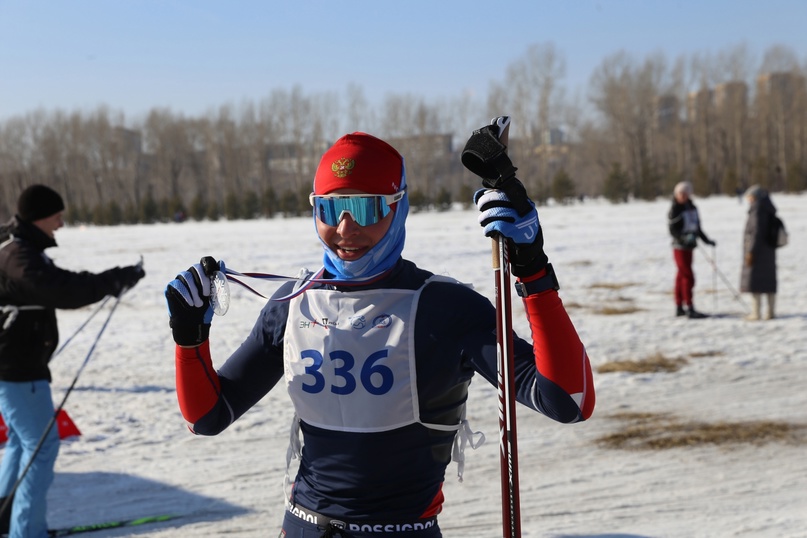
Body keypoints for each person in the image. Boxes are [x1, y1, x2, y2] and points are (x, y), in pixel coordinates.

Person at [165, 132, 596, 537]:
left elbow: (568, 401)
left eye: (368, 207)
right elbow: (206, 417)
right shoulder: (294, 301)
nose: (346, 229)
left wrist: (533, 271)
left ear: (398, 207)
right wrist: (189, 338)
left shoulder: (445, 308)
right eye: (329, 209)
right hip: (303, 526)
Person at [0, 184, 145, 538]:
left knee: (24, 442)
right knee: (40, 445)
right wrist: (111, 280)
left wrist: (110, 279)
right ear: (38, 217)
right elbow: (58, 288)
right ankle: (26, 531)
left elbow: (55, 283)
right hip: (16, 368)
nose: (61, 224)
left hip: (20, 365)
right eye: (57, 216)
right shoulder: (18, 255)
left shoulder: (18, 247)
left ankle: (7, 519)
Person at [667, 181, 716, 319]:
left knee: (681, 276)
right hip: (679, 248)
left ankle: (679, 307)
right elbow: (672, 230)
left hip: (690, 247)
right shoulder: (675, 209)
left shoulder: (692, 208)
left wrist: (706, 240)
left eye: (685, 193)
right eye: (680, 193)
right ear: (676, 194)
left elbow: (697, 228)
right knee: (688, 276)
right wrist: (683, 238)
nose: (683, 196)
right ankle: (689, 307)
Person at [740, 185, 778, 320]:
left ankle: (756, 313)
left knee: (755, 282)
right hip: (768, 251)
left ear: (754, 197)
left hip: (758, 251)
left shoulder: (758, 209)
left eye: (749, 197)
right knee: (768, 282)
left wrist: (751, 251)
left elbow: (756, 232)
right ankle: (770, 312)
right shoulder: (768, 208)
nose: (749, 200)